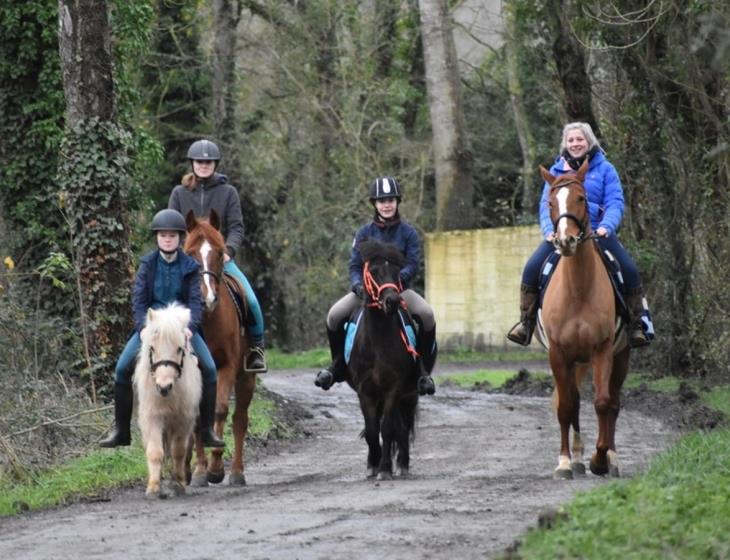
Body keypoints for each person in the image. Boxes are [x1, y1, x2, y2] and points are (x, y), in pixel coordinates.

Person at [506, 121, 652, 348]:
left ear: (589, 142)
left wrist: (606, 226)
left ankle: (636, 325)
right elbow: (546, 206)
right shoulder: (555, 172)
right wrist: (548, 231)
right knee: (532, 268)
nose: (575, 144)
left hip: (597, 233)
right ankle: (526, 322)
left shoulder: (605, 169)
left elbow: (614, 201)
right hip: (561, 234)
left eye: (579, 139)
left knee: (629, 268)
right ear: (565, 143)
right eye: (571, 140)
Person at [99, 209, 225, 448]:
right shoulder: (147, 264)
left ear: (179, 238)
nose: (167, 239)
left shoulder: (190, 266)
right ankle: (121, 431)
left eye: (172, 235)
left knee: (209, 369)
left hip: (182, 327)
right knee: (121, 369)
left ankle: (207, 430)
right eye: (163, 235)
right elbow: (138, 301)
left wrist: (191, 328)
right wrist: (142, 328)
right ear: (157, 238)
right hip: (153, 327)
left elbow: (196, 302)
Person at [314, 176, 437, 396]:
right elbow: (354, 265)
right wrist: (357, 285)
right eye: (382, 201)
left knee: (426, 315)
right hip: (367, 293)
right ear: (375, 204)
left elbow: (412, 264)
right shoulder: (364, 233)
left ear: (397, 202)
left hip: (398, 290)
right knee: (334, 316)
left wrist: (397, 283)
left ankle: (423, 371)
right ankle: (338, 365)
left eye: (390, 200)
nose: (387, 204)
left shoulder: (408, 233)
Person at [169, 139, 267, 373]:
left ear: (215, 164)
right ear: (192, 163)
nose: (203, 165)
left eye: (208, 161)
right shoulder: (179, 193)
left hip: (218, 261)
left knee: (251, 300)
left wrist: (228, 251)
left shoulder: (228, 192)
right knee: (164, 297)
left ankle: (256, 349)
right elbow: (173, 226)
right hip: (188, 261)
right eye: (199, 161)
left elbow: (236, 227)